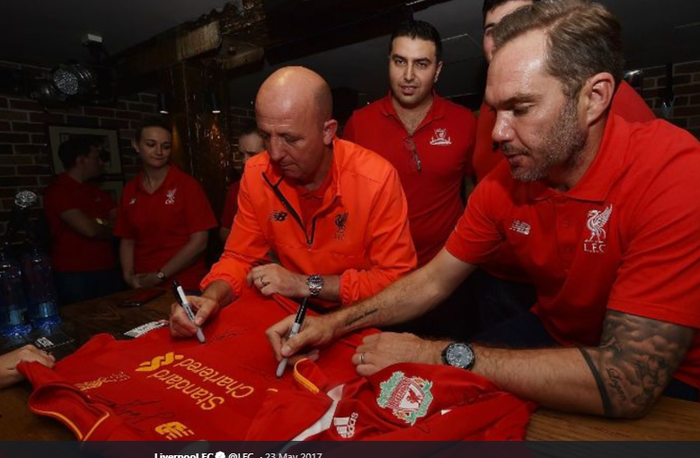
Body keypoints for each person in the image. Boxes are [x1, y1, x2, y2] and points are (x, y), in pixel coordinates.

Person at [267, 0, 700, 418]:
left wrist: (432, 352)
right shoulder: (505, 184)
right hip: (553, 333)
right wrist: (332, 325)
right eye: (495, 109)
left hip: (675, 383)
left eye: (521, 108)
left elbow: (626, 381)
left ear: (595, 97)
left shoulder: (674, 172)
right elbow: (431, 281)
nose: (497, 132)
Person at [170, 66, 416, 338]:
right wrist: (211, 298)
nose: (274, 154)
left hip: (359, 318)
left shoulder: (376, 179)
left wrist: (304, 284)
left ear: (328, 131)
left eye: (290, 138)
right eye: (266, 136)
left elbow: (395, 283)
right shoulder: (256, 173)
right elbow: (240, 257)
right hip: (289, 312)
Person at [471, 0, 658, 330]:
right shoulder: (491, 119)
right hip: (506, 280)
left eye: (522, 108)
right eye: (492, 30)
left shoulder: (644, 139)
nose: (501, 133)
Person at [343, 20, 477, 268]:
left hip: (447, 266)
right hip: (380, 268)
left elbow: (472, 187)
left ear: (437, 70)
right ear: (389, 63)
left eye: (421, 64)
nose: (408, 75)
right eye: (400, 61)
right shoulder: (358, 124)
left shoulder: (465, 122)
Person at [114, 118, 217, 292]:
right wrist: (128, 276)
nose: (159, 151)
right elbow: (127, 239)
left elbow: (199, 242)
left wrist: (160, 275)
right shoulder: (130, 190)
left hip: (184, 284)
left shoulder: (186, 185)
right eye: (151, 144)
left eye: (166, 146)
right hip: (143, 284)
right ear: (136, 145)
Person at [44, 137, 123, 304]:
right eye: (96, 158)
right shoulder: (59, 190)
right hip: (75, 274)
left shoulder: (96, 192)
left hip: (107, 268)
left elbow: (119, 220)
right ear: (81, 160)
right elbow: (89, 229)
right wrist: (105, 226)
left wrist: (103, 225)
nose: (101, 163)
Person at [220, 122, 265, 243]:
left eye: (252, 154)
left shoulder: (287, 185)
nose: (245, 161)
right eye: (241, 155)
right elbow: (225, 232)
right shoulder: (236, 188)